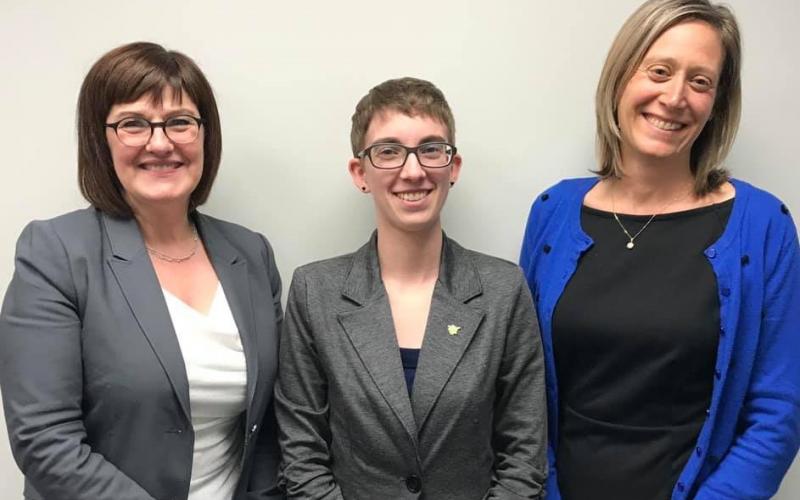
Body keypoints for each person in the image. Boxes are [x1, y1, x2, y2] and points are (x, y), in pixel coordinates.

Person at [519, 0, 800, 499]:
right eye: (660, 71)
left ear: (717, 102)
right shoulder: (552, 213)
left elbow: (778, 411)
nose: (674, 97)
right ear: (622, 77)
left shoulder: (763, 226)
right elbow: (523, 388)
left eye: (700, 81)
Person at [0, 42, 283, 500]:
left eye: (180, 122)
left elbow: (268, 423)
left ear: (204, 136)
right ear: (101, 138)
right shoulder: (55, 253)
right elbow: (44, 440)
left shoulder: (250, 254)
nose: (160, 142)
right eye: (133, 124)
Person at [276, 77, 547, 498]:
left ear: (452, 167)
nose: (414, 170)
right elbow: (301, 454)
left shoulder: (502, 290)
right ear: (359, 172)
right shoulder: (315, 292)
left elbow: (524, 454)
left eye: (431, 149)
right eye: (388, 152)